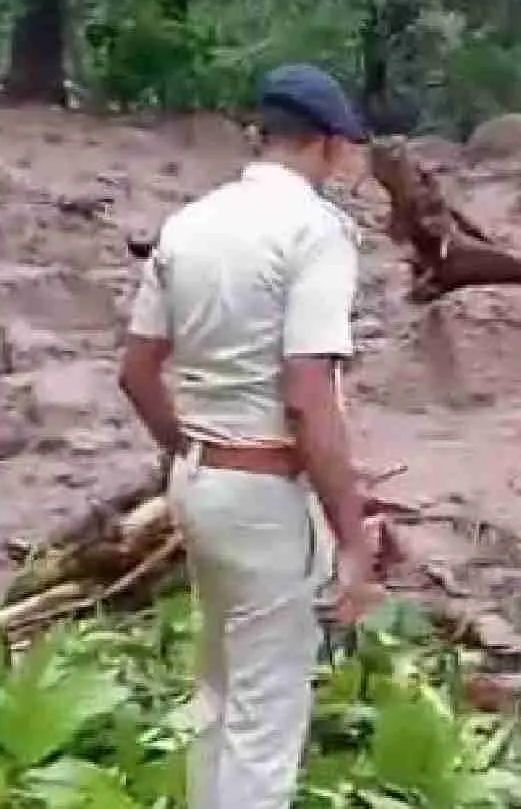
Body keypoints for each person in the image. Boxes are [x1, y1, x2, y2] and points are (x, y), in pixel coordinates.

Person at [117, 63, 383, 809]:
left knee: (219, 693)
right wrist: (353, 539)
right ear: (329, 146)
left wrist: (189, 454)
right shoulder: (317, 233)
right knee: (267, 724)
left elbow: (137, 374)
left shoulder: (188, 225)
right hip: (266, 493)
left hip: (199, 481)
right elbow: (308, 398)